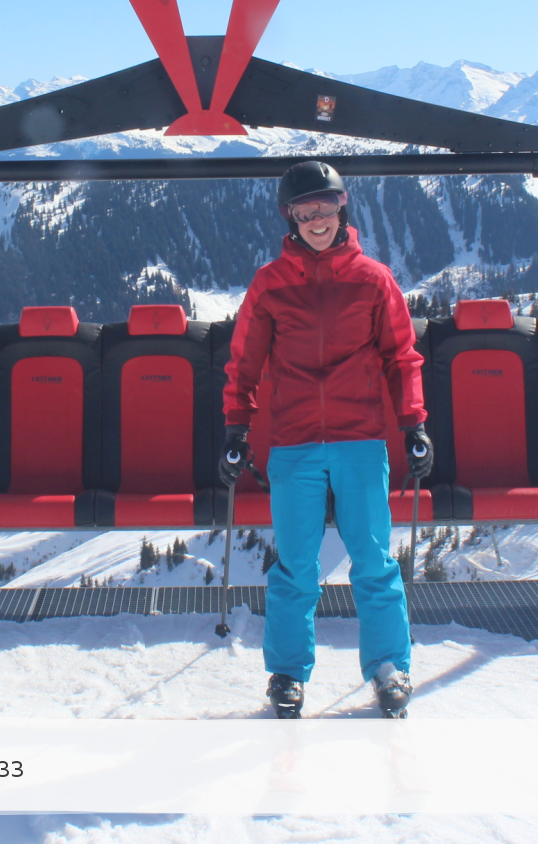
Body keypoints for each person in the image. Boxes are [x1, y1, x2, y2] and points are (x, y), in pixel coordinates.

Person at [221, 161, 432, 718]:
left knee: (373, 560)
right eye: (305, 209)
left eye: (326, 206)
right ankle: (288, 674)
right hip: (294, 443)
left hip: (359, 438)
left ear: (342, 207)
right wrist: (236, 428)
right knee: (295, 566)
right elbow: (244, 364)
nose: (317, 219)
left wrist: (413, 424)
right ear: (290, 217)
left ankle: (389, 668)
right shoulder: (270, 284)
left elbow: (401, 356)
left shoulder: (373, 279)